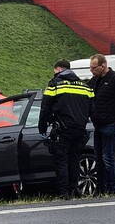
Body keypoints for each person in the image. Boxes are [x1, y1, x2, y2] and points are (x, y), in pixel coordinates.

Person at [38, 59, 93, 200]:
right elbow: (92, 108)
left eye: (55, 71)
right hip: (80, 130)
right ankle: (74, 190)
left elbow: (45, 107)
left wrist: (42, 125)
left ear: (59, 69)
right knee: (74, 160)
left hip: (62, 129)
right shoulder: (85, 86)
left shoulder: (55, 84)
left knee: (62, 160)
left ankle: (64, 193)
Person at [88, 53, 115, 195]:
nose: (92, 71)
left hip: (111, 124)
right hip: (98, 125)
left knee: (108, 157)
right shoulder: (94, 80)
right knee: (98, 158)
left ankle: (112, 189)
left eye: (94, 68)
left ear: (103, 65)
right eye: (90, 68)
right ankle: (100, 189)